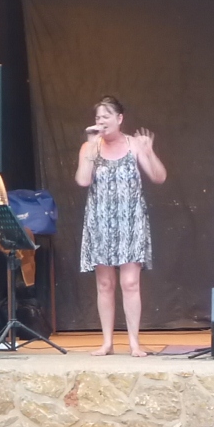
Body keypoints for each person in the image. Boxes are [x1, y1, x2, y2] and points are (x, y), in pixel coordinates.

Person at [75, 95, 167, 356]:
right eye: (98, 117)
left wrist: (149, 152)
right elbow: (83, 181)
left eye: (106, 116)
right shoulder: (89, 148)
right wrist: (91, 147)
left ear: (119, 119)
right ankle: (107, 342)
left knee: (130, 282)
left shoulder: (134, 144)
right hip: (100, 220)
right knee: (105, 284)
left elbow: (159, 177)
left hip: (131, 220)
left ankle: (134, 342)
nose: (101, 121)